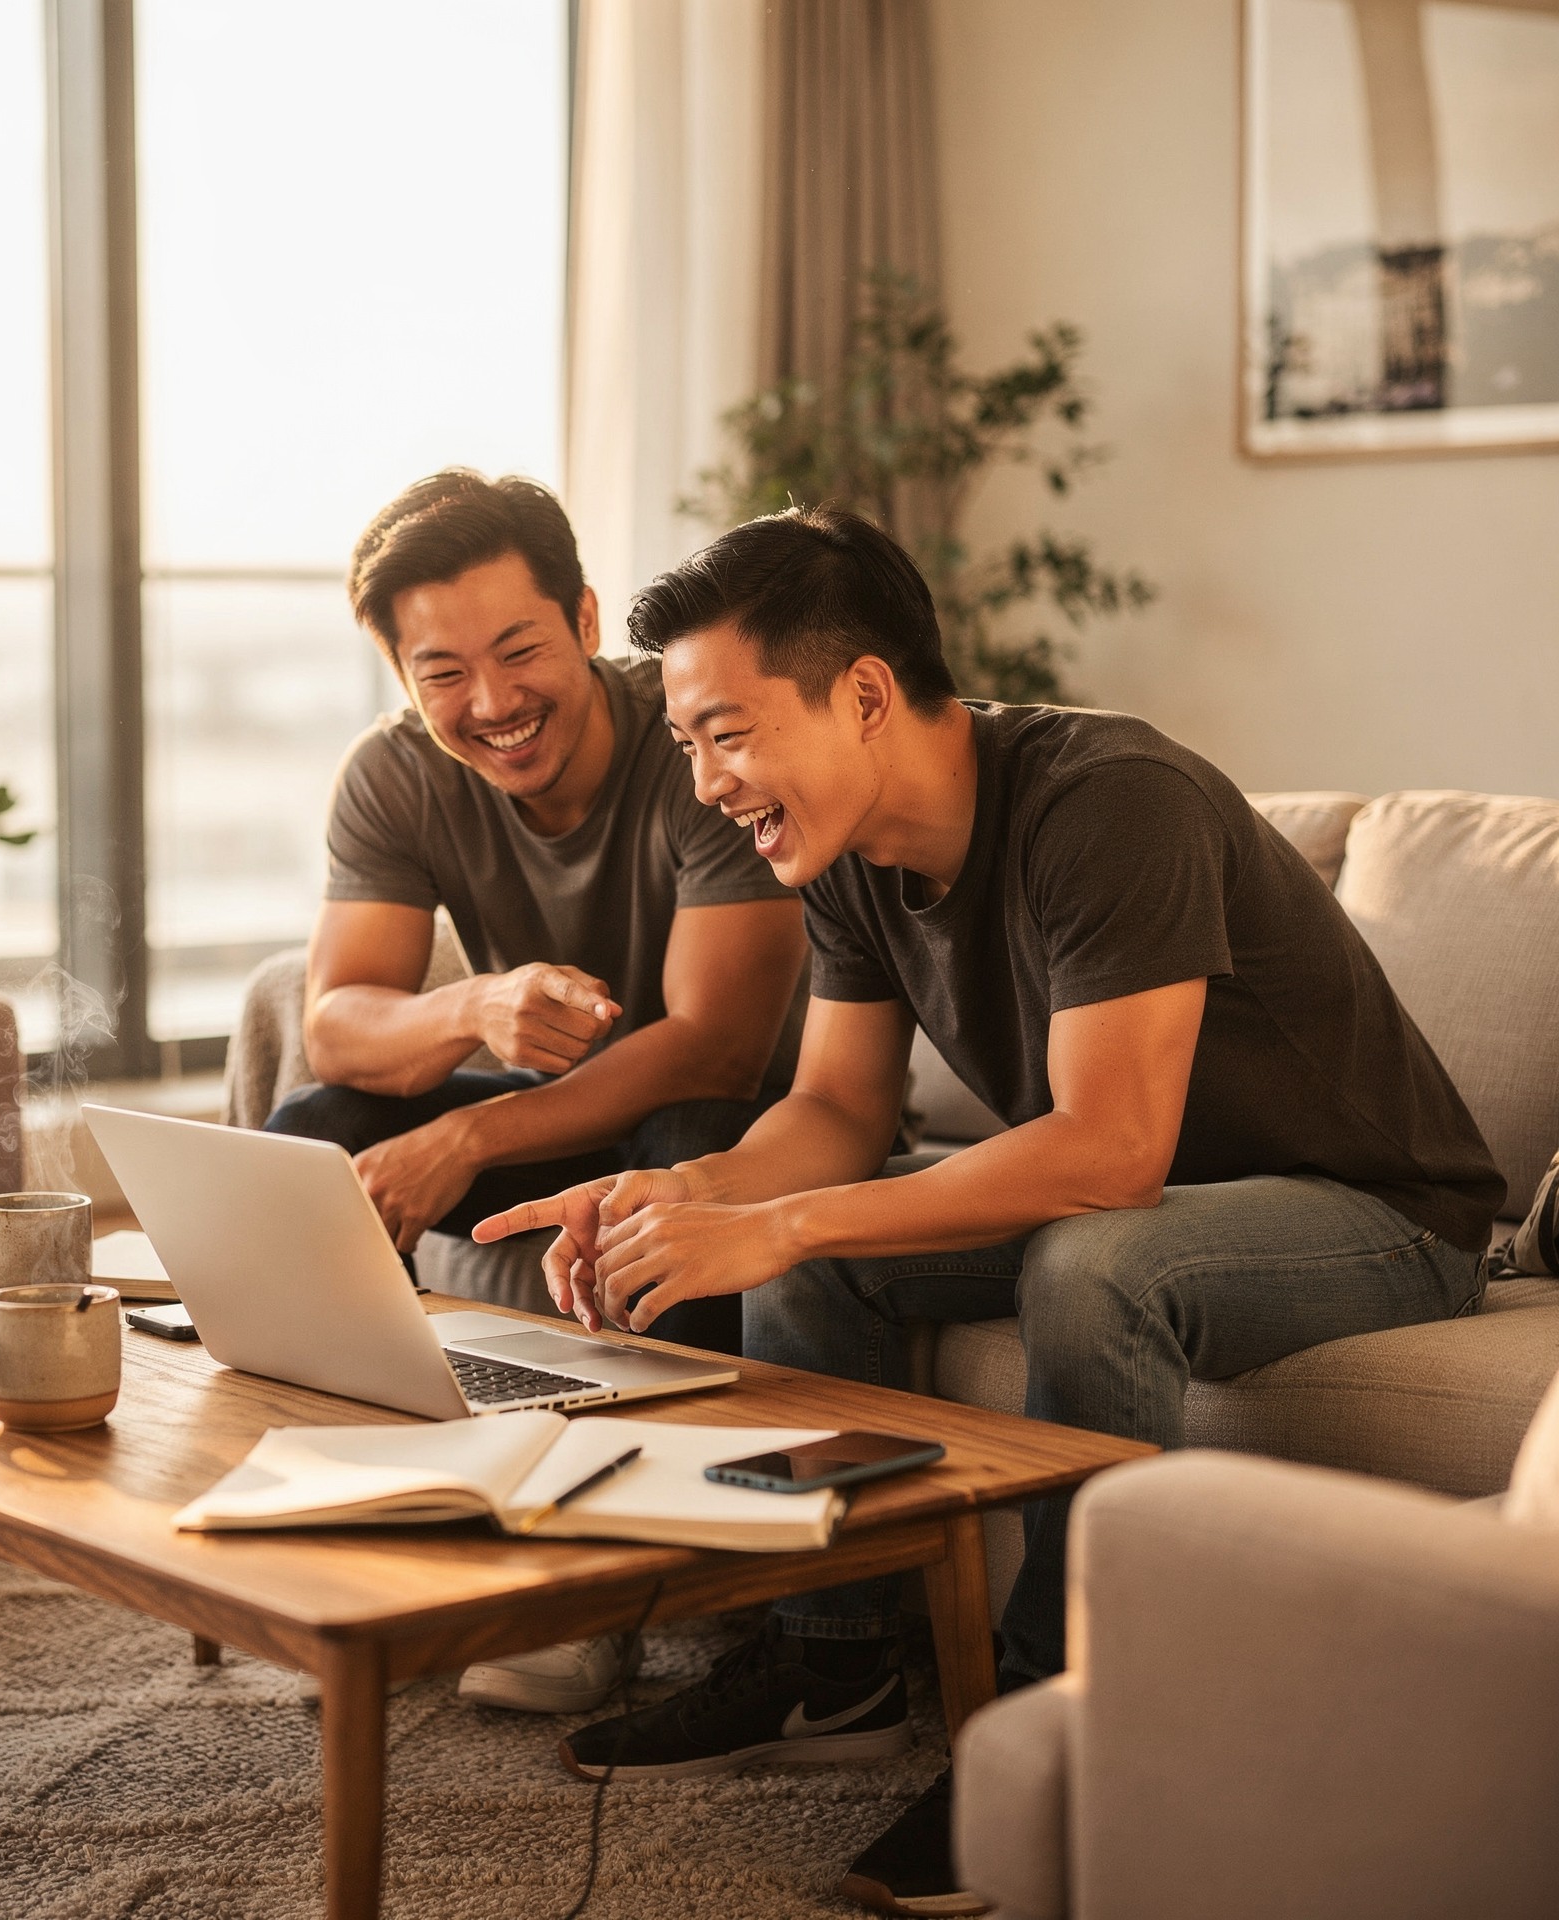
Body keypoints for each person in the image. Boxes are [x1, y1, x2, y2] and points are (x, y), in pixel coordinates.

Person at [476, 503, 1502, 1914]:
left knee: (1085, 1267)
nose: (708, 782)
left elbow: (1111, 1151)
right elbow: (835, 1112)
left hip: (1384, 1215)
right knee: (820, 1265)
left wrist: (786, 1220)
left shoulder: (1107, 798)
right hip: (1160, 1199)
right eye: (686, 744)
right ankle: (831, 1665)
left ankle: (1054, 1720)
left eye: (727, 732)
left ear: (865, 695)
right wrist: (687, 1192)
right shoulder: (835, 847)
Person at [269, 469, 808, 1715]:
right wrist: (473, 1006)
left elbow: (715, 1047)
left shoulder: (698, 746)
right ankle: (362, 1524)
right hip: (554, 1116)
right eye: (443, 673)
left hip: (737, 1130)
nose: (494, 704)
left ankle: (621, 1581)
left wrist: (465, 1130)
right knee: (315, 1140)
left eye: (519, 652)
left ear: (584, 618)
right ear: (402, 679)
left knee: (678, 1142)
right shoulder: (394, 775)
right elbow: (339, 1025)